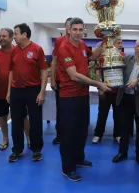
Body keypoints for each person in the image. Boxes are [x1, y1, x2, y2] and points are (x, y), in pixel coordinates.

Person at [56, 17, 110, 181]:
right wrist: (97, 83)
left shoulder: (82, 45)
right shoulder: (63, 47)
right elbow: (74, 76)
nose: (78, 33)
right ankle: (68, 167)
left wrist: (105, 41)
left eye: (81, 30)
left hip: (82, 95)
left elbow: (91, 57)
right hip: (68, 97)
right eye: (75, 29)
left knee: (81, 130)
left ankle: (78, 159)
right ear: (69, 30)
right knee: (68, 134)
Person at [6, 23, 48, 162]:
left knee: (35, 122)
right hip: (16, 91)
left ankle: (36, 150)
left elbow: (44, 71)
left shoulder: (37, 49)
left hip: (33, 90)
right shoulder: (13, 50)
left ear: (24, 35)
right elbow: (11, 71)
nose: (14, 37)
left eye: (16, 34)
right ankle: (17, 150)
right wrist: (9, 91)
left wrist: (42, 92)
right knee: (16, 122)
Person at [112, 39, 139, 166]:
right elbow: (117, 70)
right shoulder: (127, 59)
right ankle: (122, 152)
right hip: (125, 99)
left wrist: (136, 84)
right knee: (124, 129)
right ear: (135, 48)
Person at [0, 28, 30, 151]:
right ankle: (5, 139)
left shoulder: (19, 51)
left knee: (23, 117)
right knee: (2, 116)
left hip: (17, 92)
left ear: (11, 38)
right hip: (0, 93)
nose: (1, 38)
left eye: (4, 36)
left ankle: (29, 139)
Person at [92, 37, 124, 144]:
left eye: (121, 43)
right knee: (102, 114)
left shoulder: (122, 56)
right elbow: (97, 73)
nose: (120, 45)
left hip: (118, 91)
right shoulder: (102, 57)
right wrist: (99, 87)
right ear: (112, 44)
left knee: (118, 114)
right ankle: (98, 134)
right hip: (105, 90)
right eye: (118, 43)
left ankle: (118, 134)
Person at [50, 17, 72, 145]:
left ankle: (73, 133)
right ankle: (60, 134)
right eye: (68, 25)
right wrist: (52, 79)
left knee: (73, 109)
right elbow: (54, 61)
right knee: (61, 109)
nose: (70, 28)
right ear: (65, 26)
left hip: (75, 81)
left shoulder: (78, 41)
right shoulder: (59, 41)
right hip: (61, 81)